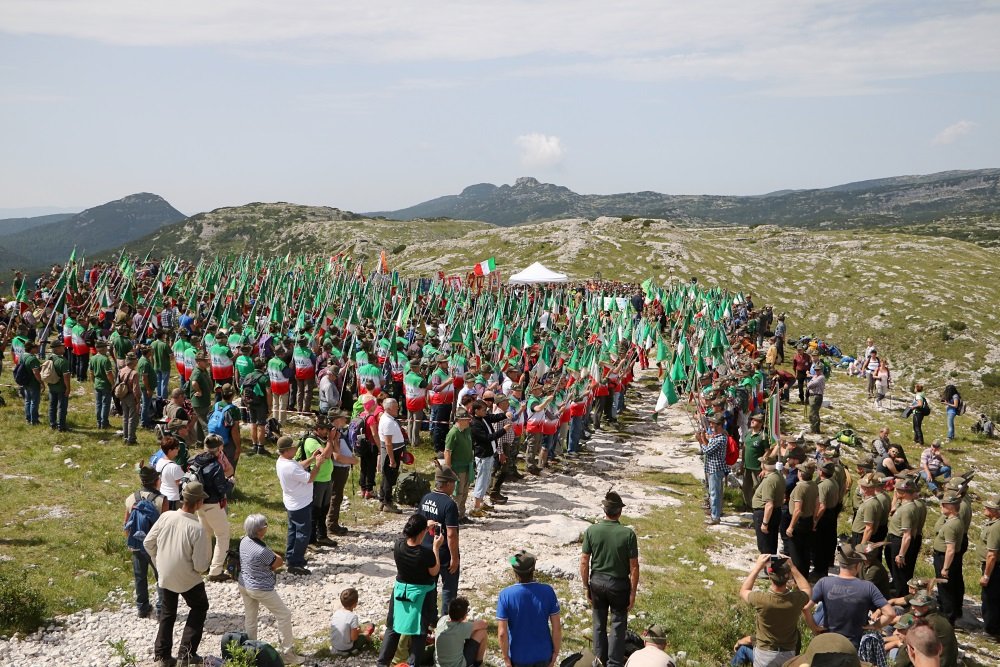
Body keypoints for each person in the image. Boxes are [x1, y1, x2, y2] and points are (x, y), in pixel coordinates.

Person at [143, 480, 212, 667]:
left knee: (167, 613)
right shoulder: (197, 529)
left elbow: (147, 543)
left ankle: (162, 657)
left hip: (164, 574)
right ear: (198, 503)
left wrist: (159, 561)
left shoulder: (166, 516)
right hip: (187, 578)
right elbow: (199, 566)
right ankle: (186, 653)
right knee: (199, 607)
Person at [580, 490, 639, 667]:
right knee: (618, 625)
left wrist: (586, 586)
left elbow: (584, 561)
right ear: (619, 512)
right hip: (619, 584)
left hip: (597, 582)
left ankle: (599, 661)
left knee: (598, 623)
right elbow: (634, 567)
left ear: (604, 511)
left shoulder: (591, 530)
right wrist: (633, 592)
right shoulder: (628, 534)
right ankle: (614, 663)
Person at [376, 513, 443, 667]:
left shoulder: (398, 544)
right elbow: (434, 571)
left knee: (393, 627)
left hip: (400, 591)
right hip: (421, 594)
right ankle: (413, 664)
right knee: (419, 630)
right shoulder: (425, 553)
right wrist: (436, 548)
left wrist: (425, 526)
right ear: (421, 532)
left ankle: (382, 663)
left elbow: (408, 534)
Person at [237, 514, 304, 665]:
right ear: (260, 531)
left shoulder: (244, 541)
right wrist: (271, 555)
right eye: (265, 525)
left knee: (251, 619)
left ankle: (249, 653)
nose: (267, 526)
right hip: (260, 588)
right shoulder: (262, 551)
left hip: (244, 584)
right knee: (284, 615)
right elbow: (278, 562)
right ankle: (288, 654)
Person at [805, 544, 895, 648]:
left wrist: (815, 628)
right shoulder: (868, 587)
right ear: (858, 565)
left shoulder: (823, 583)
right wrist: (874, 626)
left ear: (839, 562)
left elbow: (805, 608)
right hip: (855, 645)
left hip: (828, 641)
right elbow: (890, 614)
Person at [738, 554, 811, 667]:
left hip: (764, 655)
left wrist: (758, 567)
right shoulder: (796, 599)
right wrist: (792, 566)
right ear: (789, 577)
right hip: (788, 654)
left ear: (769, 577)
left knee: (743, 649)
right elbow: (806, 589)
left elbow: (744, 590)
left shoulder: (761, 599)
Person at [497, 550, 561, 667]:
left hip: (518, 657)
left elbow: (502, 633)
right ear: (533, 570)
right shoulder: (548, 591)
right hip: (543, 654)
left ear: (514, 572)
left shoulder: (505, 595)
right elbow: (557, 627)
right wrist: (555, 652)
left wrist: (506, 658)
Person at [276, 435, 326, 575]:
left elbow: (299, 466)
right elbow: (310, 478)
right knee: (303, 534)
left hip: (293, 503)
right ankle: (295, 563)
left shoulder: (283, 462)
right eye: (293, 448)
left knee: (293, 531)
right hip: (300, 504)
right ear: (286, 451)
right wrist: (317, 464)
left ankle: (290, 557)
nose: (295, 449)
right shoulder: (289, 467)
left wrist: (312, 458)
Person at [125, 465, 169, 619]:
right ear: (156, 481)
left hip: (137, 542)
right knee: (160, 576)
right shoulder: (161, 500)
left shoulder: (132, 498)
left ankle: (142, 608)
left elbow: (126, 525)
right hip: (155, 546)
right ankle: (161, 609)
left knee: (140, 576)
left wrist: (131, 542)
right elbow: (164, 525)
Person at [420, 465, 462, 617]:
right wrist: (455, 557)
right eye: (454, 483)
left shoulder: (426, 498)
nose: (454, 487)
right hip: (444, 552)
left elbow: (421, 523)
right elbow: (451, 534)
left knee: (430, 586)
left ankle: (431, 618)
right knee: (449, 588)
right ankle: (446, 620)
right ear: (448, 483)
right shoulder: (449, 504)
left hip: (427, 549)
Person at [300, 416, 336, 548]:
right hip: (317, 480)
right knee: (315, 511)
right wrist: (330, 440)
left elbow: (333, 451)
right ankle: (311, 540)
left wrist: (331, 440)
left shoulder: (323, 439)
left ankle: (322, 535)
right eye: (325, 429)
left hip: (326, 478)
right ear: (318, 429)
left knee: (324, 509)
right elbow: (325, 455)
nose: (327, 431)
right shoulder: (311, 441)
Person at [930, 492, 966, 624]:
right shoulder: (954, 520)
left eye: (944, 505)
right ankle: (952, 613)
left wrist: (945, 568)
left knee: (945, 589)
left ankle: (948, 617)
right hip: (948, 557)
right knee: (951, 586)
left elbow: (950, 549)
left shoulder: (951, 525)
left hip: (945, 558)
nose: (941, 506)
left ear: (951, 507)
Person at [887, 479, 925, 597]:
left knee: (900, 574)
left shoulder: (907, 509)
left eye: (897, 491)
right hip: (897, 539)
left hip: (899, 541)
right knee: (899, 573)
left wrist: (901, 554)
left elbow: (907, 535)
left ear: (903, 493)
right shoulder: (908, 506)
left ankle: (901, 597)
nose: (895, 492)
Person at [469, 399, 506, 518]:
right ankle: (476, 507)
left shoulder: (484, 417)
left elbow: (494, 417)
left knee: (486, 480)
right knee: (481, 481)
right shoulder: (474, 424)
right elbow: (487, 438)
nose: (486, 412)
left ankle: (481, 503)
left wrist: (505, 414)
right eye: (484, 410)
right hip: (483, 455)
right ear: (476, 411)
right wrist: (504, 430)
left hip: (490, 453)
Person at [326, 410, 357, 537]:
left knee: (337, 496)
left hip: (341, 469)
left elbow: (337, 450)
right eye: (343, 417)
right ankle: (332, 525)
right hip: (338, 469)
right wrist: (353, 460)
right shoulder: (332, 432)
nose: (346, 420)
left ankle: (333, 523)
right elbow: (336, 456)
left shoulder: (337, 432)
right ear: (337, 419)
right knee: (336, 496)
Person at [785, 461, 817, 578]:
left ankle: (797, 578)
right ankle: (804, 577)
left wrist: (791, 527)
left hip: (799, 522)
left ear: (801, 473)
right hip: (808, 520)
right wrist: (814, 520)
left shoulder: (800, 487)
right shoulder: (813, 485)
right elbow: (817, 504)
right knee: (805, 551)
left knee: (796, 552)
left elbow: (797, 510)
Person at [435, 596, 488, 667]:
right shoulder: (462, 627)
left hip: (439, 664)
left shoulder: (442, 620)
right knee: (482, 632)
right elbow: (484, 623)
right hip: (457, 665)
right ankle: (478, 663)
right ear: (463, 616)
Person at [908, 594, 958, 667]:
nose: (912, 608)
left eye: (916, 606)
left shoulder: (928, 624)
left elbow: (911, 643)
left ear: (925, 608)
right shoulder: (937, 616)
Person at [812, 461, 842, 580]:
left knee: (819, 544)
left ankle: (819, 571)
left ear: (821, 472)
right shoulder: (833, 481)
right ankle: (824, 566)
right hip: (831, 513)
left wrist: (815, 520)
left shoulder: (823, 485)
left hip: (824, 516)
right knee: (828, 542)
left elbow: (822, 505)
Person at [697, 413, 729, 525]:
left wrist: (701, 441)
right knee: (716, 493)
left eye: (713, 423)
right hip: (713, 468)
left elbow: (707, 451)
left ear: (719, 425)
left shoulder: (720, 439)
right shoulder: (718, 437)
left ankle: (715, 516)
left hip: (716, 469)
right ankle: (716, 513)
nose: (710, 425)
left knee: (714, 493)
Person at [444, 407, 475, 521]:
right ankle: (454, 517)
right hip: (457, 468)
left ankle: (461, 515)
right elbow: (447, 452)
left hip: (467, 466)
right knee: (458, 493)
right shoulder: (453, 433)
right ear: (459, 420)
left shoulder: (466, 430)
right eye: (466, 419)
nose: (468, 421)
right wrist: (448, 471)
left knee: (465, 491)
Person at [378, 398, 407, 513]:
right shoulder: (388, 422)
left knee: (386, 478)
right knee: (389, 479)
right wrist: (392, 459)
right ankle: (387, 502)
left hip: (394, 450)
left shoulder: (389, 418)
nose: (398, 408)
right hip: (392, 452)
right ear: (389, 409)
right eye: (396, 407)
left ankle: (382, 500)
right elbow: (388, 443)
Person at [751, 455, 784, 555]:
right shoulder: (777, 475)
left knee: (765, 546)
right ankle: (772, 566)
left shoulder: (769, 481)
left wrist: (765, 523)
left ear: (764, 466)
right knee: (771, 544)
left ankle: (767, 567)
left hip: (765, 513)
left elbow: (769, 504)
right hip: (775, 513)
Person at [980, 493, 1000, 637]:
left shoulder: (995, 528)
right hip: (994, 566)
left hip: (993, 568)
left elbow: (992, 555)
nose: (985, 507)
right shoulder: (994, 524)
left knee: (990, 598)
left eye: (989, 507)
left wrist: (986, 575)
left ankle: (991, 630)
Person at [741, 413, 769, 510]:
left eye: (755, 420)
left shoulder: (763, 436)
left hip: (757, 467)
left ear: (761, 423)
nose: (752, 421)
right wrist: (742, 462)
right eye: (752, 419)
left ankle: (758, 507)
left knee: (757, 487)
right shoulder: (748, 433)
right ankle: (749, 505)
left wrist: (763, 464)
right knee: (745, 487)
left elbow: (767, 452)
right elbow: (744, 448)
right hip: (747, 466)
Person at [188, 352, 214, 445]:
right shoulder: (197, 372)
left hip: (204, 401)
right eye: (205, 360)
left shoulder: (203, 370)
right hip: (199, 403)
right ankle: (210, 444)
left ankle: (199, 441)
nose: (207, 362)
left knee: (199, 423)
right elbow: (194, 383)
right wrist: (199, 391)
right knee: (205, 424)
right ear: (198, 362)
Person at [45, 339, 71, 432]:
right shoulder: (63, 361)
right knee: (62, 407)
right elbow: (66, 377)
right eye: (61, 346)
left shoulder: (49, 357)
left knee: (52, 406)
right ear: (57, 349)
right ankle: (61, 426)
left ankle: (52, 424)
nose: (63, 347)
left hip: (52, 386)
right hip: (61, 387)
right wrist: (68, 388)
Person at [89, 339, 115, 429]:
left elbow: (91, 373)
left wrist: (93, 382)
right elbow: (109, 374)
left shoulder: (92, 358)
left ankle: (98, 422)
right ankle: (104, 423)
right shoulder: (105, 360)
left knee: (98, 404)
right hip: (105, 384)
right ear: (103, 348)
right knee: (105, 404)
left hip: (97, 383)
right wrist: (113, 384)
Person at [118, 352, 141, 445]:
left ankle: (125, 436)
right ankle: (131, 439)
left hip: (123, 395)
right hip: (131, 396)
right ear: (133, 361)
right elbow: (136, 389)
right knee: (132, 418)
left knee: (125, 417)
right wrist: (138, 400)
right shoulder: (134, 373)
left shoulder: (121, 370)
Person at [19, 340, 42, 425]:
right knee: (34, 402)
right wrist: (41, 382)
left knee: (27, 400)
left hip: (25, 381)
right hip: (33, 383)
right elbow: (36, 372)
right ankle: (34, 420)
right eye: (36, 347)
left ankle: (28, 418)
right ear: (31, 349)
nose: (37, 349)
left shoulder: (22, 356)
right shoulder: (33, 359)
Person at [806, 365, 825, 434]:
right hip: (813, 396)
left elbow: (810, 385)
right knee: (814, 413)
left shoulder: (821, 377)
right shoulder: (815, 376)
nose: (816, 371)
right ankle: (816, 429)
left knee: (813, 414)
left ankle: (814, 430)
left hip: (816, 396)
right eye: (816, 370)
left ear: (821, 370)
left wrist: (809, 382)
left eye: (818, 370)